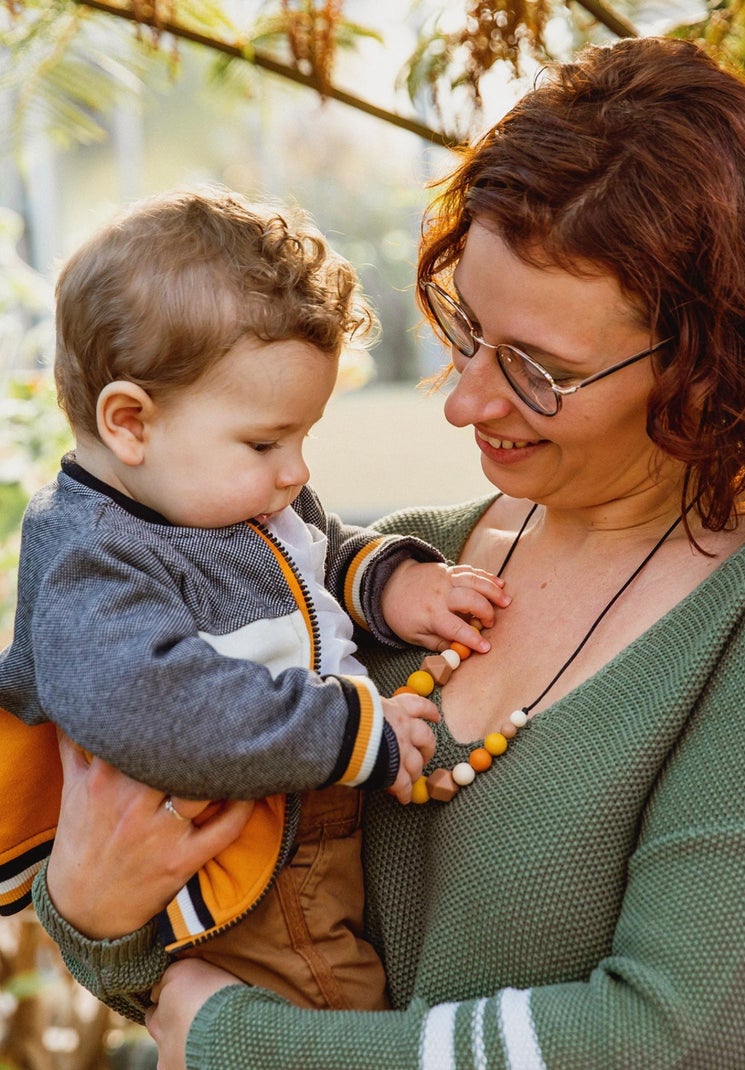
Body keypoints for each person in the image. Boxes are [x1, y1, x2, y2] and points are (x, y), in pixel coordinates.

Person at [29, 33, 745, 1069]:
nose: (462, 400)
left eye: (537, 369)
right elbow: (202, 947)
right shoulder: (387, 575)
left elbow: (678, 1039)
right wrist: (91, 913)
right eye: (465, 326)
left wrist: (238, 1041)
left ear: (711, 365)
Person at [0, 187, 511, 1010]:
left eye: (303, 437)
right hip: (253, 871)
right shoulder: (92, 561)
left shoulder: (213, 495)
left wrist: (392, 582)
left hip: (293, 835)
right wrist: (351, 727)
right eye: (267, 441)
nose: (296, 471)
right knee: (334, 1010)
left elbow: (311, 557)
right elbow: (154, 706)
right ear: (130, 422)